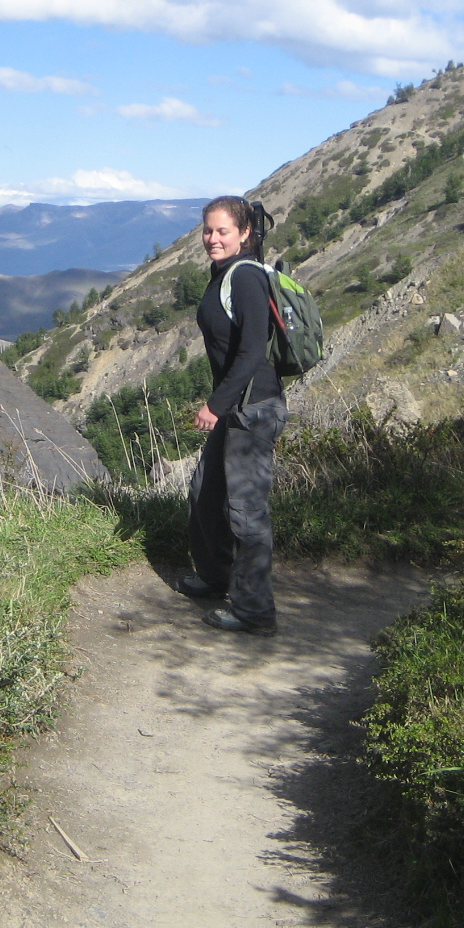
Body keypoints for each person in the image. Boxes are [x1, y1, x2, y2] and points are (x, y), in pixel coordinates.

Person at [178, 195, 288, 636]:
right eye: (208, 230)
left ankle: (254, 612)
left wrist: (215, 405)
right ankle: (215, 576)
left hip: (253, 410)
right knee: (206, 494)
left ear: (244, 233)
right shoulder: (223, 273)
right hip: (236, 407)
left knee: (246, 512)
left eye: (222, 231)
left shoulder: (245, 277)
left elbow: (252, 351)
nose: (212, 238)